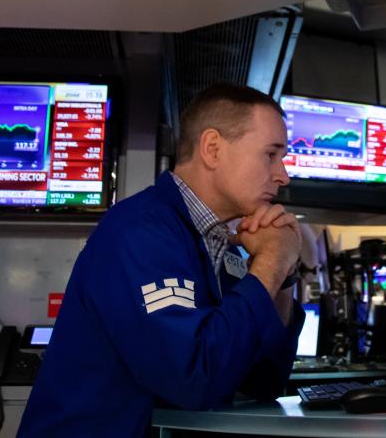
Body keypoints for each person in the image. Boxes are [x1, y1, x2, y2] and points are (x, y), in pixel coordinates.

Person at [19, 83, 305, 437]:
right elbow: (191, 378)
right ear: (212, 149)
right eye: (270, 154)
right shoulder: (141, 231)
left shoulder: (222, 246)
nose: (283, 175)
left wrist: (284, 276)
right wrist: (273, 260)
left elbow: (261, 382)